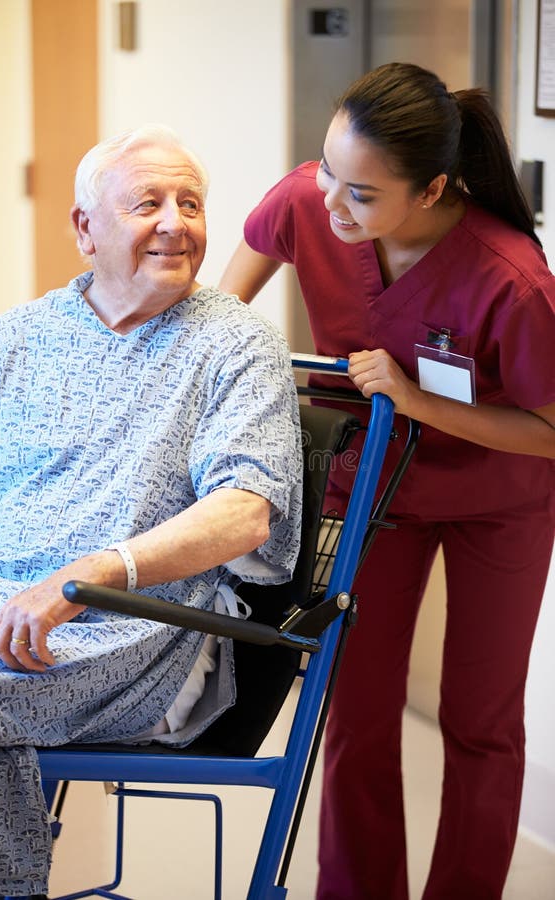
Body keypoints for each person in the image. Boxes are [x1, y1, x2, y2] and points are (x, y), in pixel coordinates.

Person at [220, 62, 555, 900]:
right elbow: (222, 316)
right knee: (358, 712)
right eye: (327, 169)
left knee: (479, 721)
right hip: (369, 492)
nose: (330, 202)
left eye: (361, 193)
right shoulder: (311, 200)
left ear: (433, 187)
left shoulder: (511, 278)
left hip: (499, 502)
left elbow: (550, 433)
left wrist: (409, 399)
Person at [0, 123, 302, 898]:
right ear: (85, 229)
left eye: (192, 203)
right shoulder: (16, 339)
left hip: (127, 628)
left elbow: (247, 512)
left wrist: (95, 570)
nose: (177, 221)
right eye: (149, 202)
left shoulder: (235, 345)